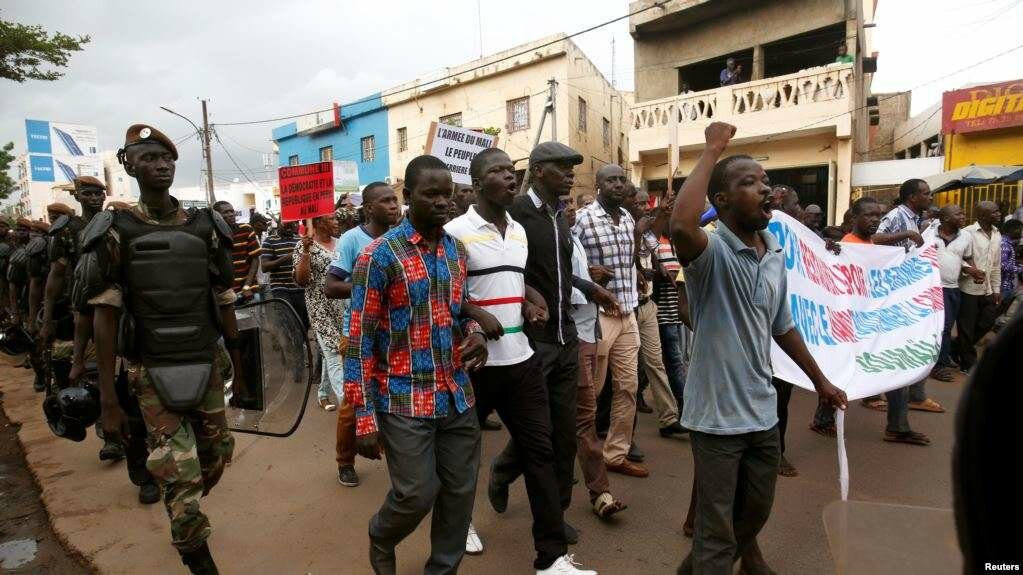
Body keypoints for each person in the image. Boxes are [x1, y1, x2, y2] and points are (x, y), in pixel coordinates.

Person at [669, 122, 847, 574]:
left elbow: (783, 326)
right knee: (715, 532)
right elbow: (680, 223)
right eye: (749, 182)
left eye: (766, 182)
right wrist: (711, 151)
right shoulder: (711, 253)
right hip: (716, 418)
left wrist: (821, 381)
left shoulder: (773, 253)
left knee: (753, 514)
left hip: (762, 413)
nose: (765, 189)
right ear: (721, 201)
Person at [80, 124, 245, 573]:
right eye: (149, 158)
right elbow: (105, 314)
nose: (161, 165)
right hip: (151, 369)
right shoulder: (116, 231)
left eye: (167, 158)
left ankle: (180, 493)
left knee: (216, 457)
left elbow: (224, 295)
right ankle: (195, 548)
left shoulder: (204, 225)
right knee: (182, 474)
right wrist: (108, 401)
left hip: (206, 362)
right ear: (129, 164)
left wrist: (242, 365)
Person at [447, 148, 596, 575]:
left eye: (510, 171)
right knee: (461, 455)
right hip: (473, 366)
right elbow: (445, 294)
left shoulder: (517, 230)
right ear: (476, 183)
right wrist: (474, 315)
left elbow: (517, 277)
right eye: (496, 172)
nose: (508, 178)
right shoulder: (456, 231)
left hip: (522, 361)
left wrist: (531, 301)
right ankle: (461, 526)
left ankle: (551, 558)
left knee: (541, 454)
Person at [345, 156, 489, 574]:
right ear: (409, 197)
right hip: (404, 398)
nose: (445, 202)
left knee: (460, 495)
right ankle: (382, 535)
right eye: (432, 194)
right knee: (416, 494)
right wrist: (364, 417)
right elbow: (359, 341)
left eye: (448, 193)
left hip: (456, 394)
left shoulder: (455, 251)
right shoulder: (378, 256)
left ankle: (441, 570)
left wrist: (475, 332)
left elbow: (454, 310)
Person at [497, 141, 618, 544]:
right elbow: (505, 272)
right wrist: (527, 299)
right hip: (532, 343)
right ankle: (503, 473)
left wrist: (589, 287)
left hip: (568, 339)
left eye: (571, 168)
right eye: (562, 167)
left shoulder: (560, 217)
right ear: (538, 170)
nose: (570, 174)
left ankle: (557, 514)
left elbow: (561, 273)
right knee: (540, 435)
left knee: (564, 436)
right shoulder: (515, 213)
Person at [41, 179, 160, 501]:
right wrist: (76, 355)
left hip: (148, 333)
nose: (93, 197)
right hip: (108, 333)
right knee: (126, 405)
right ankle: (139, 468)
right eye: (87, 193)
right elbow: (77, 303)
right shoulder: (77, 239)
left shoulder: (142, 240)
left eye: (98, 193)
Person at [324, 181, 401, 488]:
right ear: (369, 208)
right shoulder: (351, 240)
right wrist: (373, 288)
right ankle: (345, 460)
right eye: (386, 201)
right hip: (357, 333)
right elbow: (332, 286)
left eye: (395, 200)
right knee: (354, 403)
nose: (394, 206)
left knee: (396, 395)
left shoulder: (401, 238)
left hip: (397, 335)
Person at [575, 165, 649, 479]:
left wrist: (639, 273)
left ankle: (615, 454)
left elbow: (629, 258)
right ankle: (577, 456)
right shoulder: (583, 218)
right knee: (592, 392)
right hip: (599, 316)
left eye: (622, 180)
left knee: (628, 387)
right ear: (599, 185)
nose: (619, 185)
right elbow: (566, 259)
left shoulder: (628, 218)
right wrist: (589, 271)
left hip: (628, 313)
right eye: (612, 180)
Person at [566, 193, 628, 521]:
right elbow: (553, 280)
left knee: (575, 418)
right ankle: (600, 492)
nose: (569, 211)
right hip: (569, 338)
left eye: (572, 205)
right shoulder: (545, 237)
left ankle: (508, 469)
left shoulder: (573, 238)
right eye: (562, 206)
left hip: (589, 333)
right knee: (584, 418)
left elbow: (574, 275)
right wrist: (591, 288)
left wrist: (591, 276)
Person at [872, 178, 942, 445]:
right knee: (897, 360)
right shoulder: (896, 217)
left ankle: (900, 419)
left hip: (907, 297)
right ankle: (897, 425)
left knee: (908, 356)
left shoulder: (917, 217)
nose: (930, 197)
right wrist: (906, 235)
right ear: (912, 197)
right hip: (890, 298)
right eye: (925, 193)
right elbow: (873, 239)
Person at [628, 186, 687, 438]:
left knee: (657, 363)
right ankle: (603, 423)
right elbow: (625, 260)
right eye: (639, 203)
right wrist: (638, 235)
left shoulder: (646, 229)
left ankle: (669, 418)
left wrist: (661, 214)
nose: (643, 208)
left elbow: (650, 248)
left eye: (646, 204)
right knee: (624, 374)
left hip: (648, 304)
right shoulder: (622, 226)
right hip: (624, 308)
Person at [294, 214, 344, 411]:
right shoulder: (303, 246)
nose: (337, 221)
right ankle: (349, 408)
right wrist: (306, 251)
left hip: (343, 306)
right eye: (332, 219)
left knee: (331, 351)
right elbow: (302, 280)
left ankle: (323, 393)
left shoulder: (342, 243)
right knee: (334, 354)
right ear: (318, 224)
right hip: (320, 308)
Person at [931, 205, 984, 382]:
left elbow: (967, 258)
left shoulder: (966, 237)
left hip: (952, 288)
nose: (963, 216)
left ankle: (941, 362)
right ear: (945, 218)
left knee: (946, 327)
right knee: (936, 327)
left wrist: (973, 271)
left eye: (963, 212)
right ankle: (934, 365)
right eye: (958, 214)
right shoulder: (929, 232)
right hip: (930, 288)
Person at [957, 201, 1003, 374]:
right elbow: (957, 256)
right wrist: (970, 270)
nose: (999, 214)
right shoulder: (967, 233)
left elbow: (995, 264)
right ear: (982, 215)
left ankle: (956, 349)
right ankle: (968, 363)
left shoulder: (997, 234)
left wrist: (996, 289)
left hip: (988, 288)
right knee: (966, 327)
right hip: (968, 287)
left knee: (988, 321)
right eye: (995, 212)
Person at [258, 220, 308, 329]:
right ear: (279, 223)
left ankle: (300, 344)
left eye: (294, 223)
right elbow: (264, 267)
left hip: (300, 288)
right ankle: (294, 345)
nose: (291, 226)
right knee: (288, 321)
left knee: (301, 322)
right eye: (287, 224)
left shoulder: (300, 240)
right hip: (281, 288)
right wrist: (286, 258)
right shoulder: (269, 241)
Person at [212, 201, 262, 305]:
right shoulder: (213, 236)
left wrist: (247, 286)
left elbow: (255, 259)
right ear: (216, 216)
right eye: (226, 212)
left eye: (232, 211)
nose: (231, 214)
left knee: (256, 320)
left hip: (249, 291)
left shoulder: (246, 229)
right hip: (226, 294)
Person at [1001, 219, 1022, 301]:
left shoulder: (1008, 243)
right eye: (1019, 230)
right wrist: (1020, 269)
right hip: (1003, 286)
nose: (1021, 232)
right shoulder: (1005, 245)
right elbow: (1003, 266)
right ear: (1011, 230)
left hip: (1007, 284)